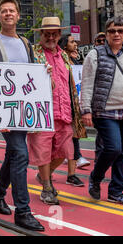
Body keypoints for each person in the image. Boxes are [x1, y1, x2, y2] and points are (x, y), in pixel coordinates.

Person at [0, 0, 44, 231]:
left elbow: (32, 74)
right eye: (4, 11)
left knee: (14, 155)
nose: (8, 14)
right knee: (20, 154)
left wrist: (47, 79)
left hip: (23, 112)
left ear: (18, 15)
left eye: (12, 11)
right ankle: (23, 211)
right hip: (3, 113)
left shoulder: (26, 43)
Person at [28, 17, 86, 205]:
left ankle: (44, 176)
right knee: (43, 152)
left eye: (54, 34)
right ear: (41, 35)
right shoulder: (33, 53)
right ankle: (46, 186)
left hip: (64, 112)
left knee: (64, 153)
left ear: (59, 35)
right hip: (43, 112)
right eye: (47, 34)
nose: (51, 37)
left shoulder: (64, 56)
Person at [81, 16, 123, 205]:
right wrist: (86, 110)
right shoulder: (95, 55)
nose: (116, 34)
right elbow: (86, 84)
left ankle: (116, 192)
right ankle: (96, 177)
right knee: (113, 148)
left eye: (120, 30)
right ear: (106, 33)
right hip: (104, 111)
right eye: (112, 31)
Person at [58, 34, 90, 186]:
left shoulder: (75, 61)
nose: (75, 44)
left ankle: (71, 175)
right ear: (64, 45)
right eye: (72, 42)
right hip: (63, 105)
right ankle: (46, 171)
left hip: (75, 106)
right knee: (61, 144)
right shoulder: (61, 61)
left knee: (74, 140)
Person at [92, 32, 106, 165]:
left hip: (119, 105)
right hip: (98, 105)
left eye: (104, 40)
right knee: (102, 134)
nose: (102, 43)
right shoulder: (91, 58)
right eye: (99, 41)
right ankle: (99, 159)